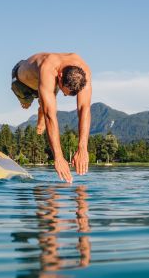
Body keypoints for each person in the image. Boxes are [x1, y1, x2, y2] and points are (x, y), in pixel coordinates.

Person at [11, 52, 91, 183]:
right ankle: (41, 106)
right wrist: (58, 157)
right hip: (23, 82)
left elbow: (84, 109)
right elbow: (50, 116)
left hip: (47, 84)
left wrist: (83, 148)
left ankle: (43, 105)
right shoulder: (48, 67)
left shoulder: (83, 71)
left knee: (49, 97)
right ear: (60, 76)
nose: (65, 96)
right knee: (27, 104)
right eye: (65, 92)